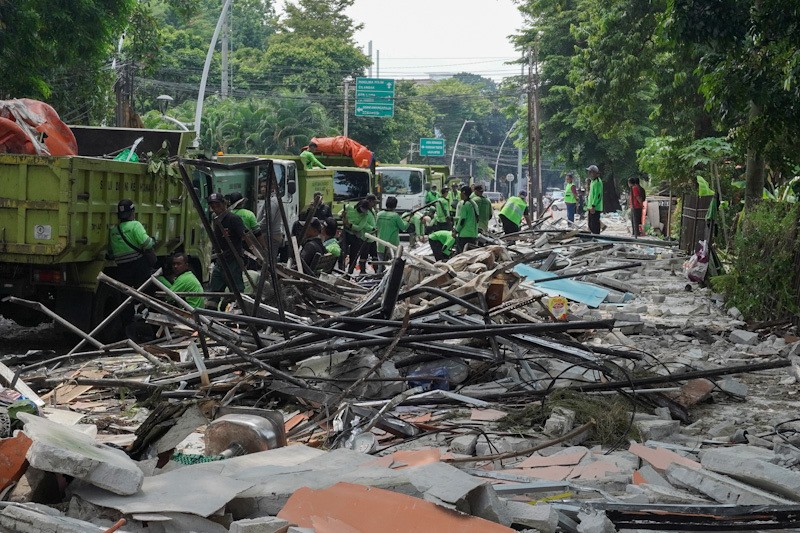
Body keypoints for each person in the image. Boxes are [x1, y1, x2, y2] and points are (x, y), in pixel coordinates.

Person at [107, 199, 156, 327]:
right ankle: (151, 320)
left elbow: (111, 253)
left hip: (122, 268)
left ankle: (127, 325)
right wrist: (153, 241)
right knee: (147, 292)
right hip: (138, 266)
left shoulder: (113, 230)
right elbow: (146, 243)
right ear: (132, 212)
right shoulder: (135, 225)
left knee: (126, 297)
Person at [206, 192, 246, 308]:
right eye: (212, 205)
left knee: (237, 289)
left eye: (217, 204)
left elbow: (244, 236)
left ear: (224, 204)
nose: (215, 208)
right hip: (221, 259)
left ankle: (240, 310)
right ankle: (210, 314)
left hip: (233, 259)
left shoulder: (233, 219)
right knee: (214, 288)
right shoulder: (216, 219)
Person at [343, 194, 377, 275]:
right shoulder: (349, 208)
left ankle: (350, 272)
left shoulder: (365, 215)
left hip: (356, 236)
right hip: (346, 233)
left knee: (354, 255)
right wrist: (343, 216)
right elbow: (341, 214)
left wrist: (350, 225)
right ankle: (343, 270)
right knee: (342, 253)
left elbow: (359, 227)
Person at [375, 196, 409, 270]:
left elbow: (376, 226)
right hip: (392, 244)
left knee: (381, 263)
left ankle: (378, 278)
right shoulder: (395, 216)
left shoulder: (379, 214)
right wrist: (407, 221)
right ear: (395, 205)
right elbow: (403, 227)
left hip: (380, 242)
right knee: (393, 265)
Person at [257, 179, 284, 265]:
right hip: (271, 235)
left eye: (265, 186)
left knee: (269, 262)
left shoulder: (272, 201)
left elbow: (267, 220)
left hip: (271, 236)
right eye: (261, 187)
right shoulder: (272, 199)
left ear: (272, 188)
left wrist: (256, 228)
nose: (263, 189)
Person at [453, 185, 480, 253]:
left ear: (463, 193)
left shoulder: (465, 205)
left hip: (465, 235)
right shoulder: (474, 203)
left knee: (461, 256)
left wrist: (456, 231)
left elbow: (462, 220)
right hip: (474, 234)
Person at [586, 164, 604, 234]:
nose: (589, 174)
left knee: (594, 225)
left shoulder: (598, 182)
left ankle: (596, 237)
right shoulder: (593, 182)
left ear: (594, 173)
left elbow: (597, 195)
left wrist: (593, 205)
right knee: (591, 224)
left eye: (590, 172)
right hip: (591, 207)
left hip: (595, 207)